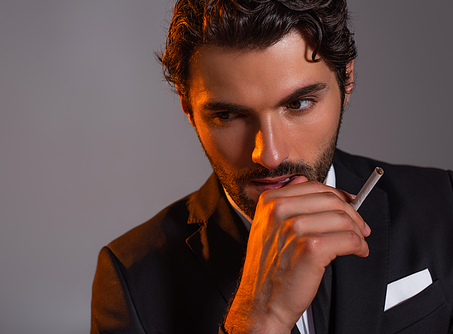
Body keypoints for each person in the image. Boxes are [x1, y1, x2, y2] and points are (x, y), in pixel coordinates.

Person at [91, 0, 453, 333]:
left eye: (298, 104)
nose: (270, 155)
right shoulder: (129, 278)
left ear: (347, 80)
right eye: (228, 114)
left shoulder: (443, 205)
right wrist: (257, 320)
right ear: (187, 108)